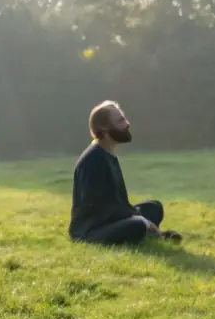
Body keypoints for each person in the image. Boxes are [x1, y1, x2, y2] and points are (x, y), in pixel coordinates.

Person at [69, 100, 181, 245]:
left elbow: (118, 202)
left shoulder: (108, 154)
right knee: (138, 224)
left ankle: (147, 230)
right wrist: (140, 221)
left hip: (111, 218)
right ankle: (147, 231)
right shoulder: (94, 159)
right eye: (120, 121)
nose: (127, 124)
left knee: (154, 207)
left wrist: (136, 216)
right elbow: (99, 210)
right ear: (104, 129)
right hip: (90, 230)